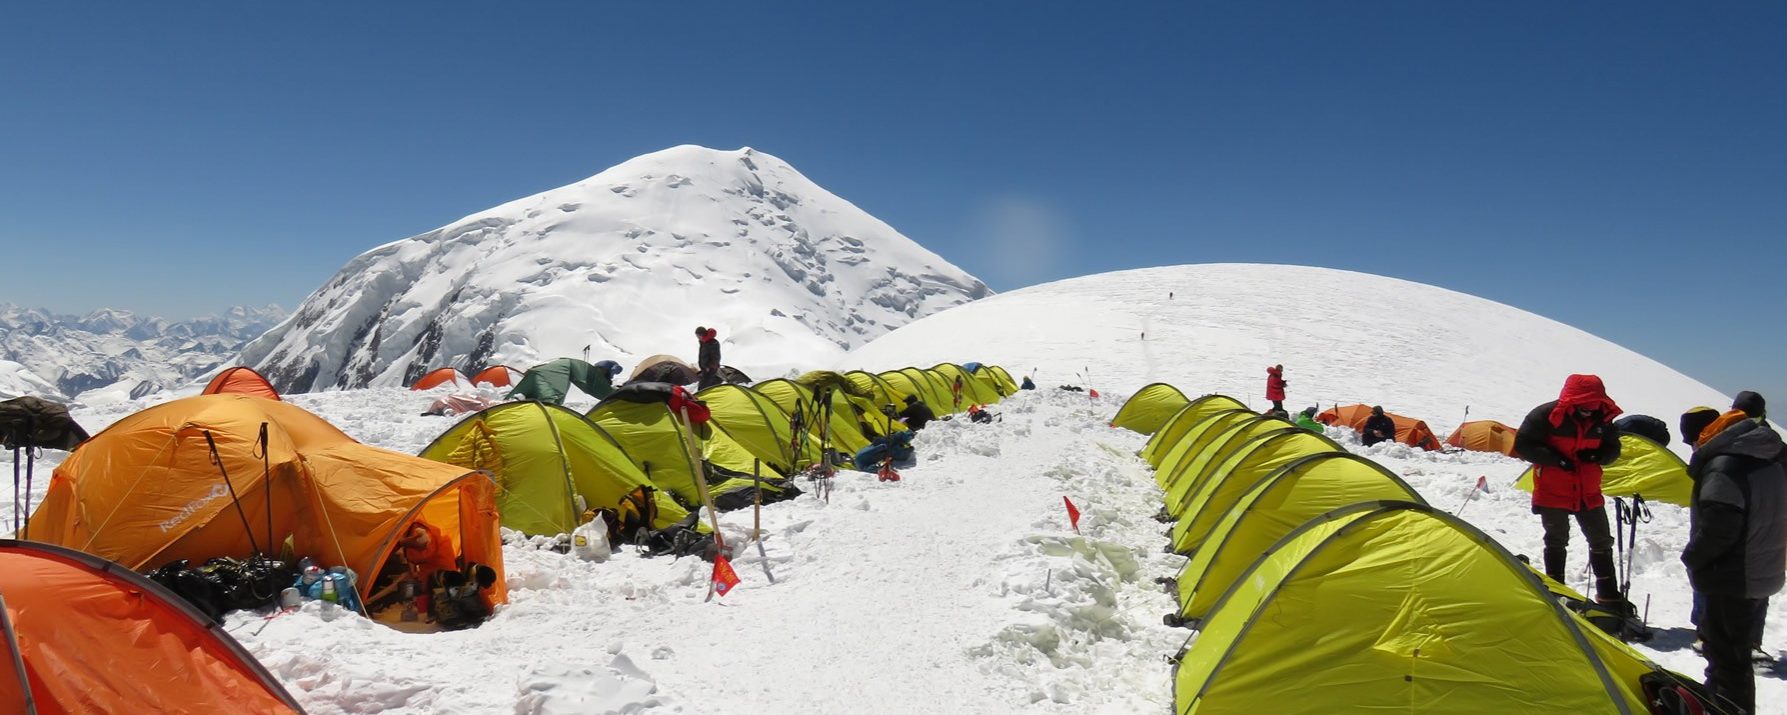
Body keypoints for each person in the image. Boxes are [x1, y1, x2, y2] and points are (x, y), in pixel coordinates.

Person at [1683, 401, 1787, 714]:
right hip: (1763, 564)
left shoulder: (1725, 466)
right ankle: (1716, 702)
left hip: (1732, 573)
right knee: (1733, 653)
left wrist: (1692, 557)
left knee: (1727, 658)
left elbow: (1720, 528)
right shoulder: (1770, 457)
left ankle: (1729, 707)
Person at [1513, 374, 1624, 603]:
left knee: (1601, 540)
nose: (1589, 411)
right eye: (1584, 407)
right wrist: (1555, 459)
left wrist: (1598, 455)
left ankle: (1608, 595)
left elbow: (1613, 449)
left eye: (1593, 407)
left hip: (1588, 491)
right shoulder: (1546, 415)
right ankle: (1557, 591)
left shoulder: (1602, 418)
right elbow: (1523, 445)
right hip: (1553, 489)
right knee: (1556, 539)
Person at [399, 520, 458, 586]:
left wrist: (401, 543)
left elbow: (418, 555)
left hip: (441, 584)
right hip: (448, 581)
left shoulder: (419, 531)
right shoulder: (433, 534)